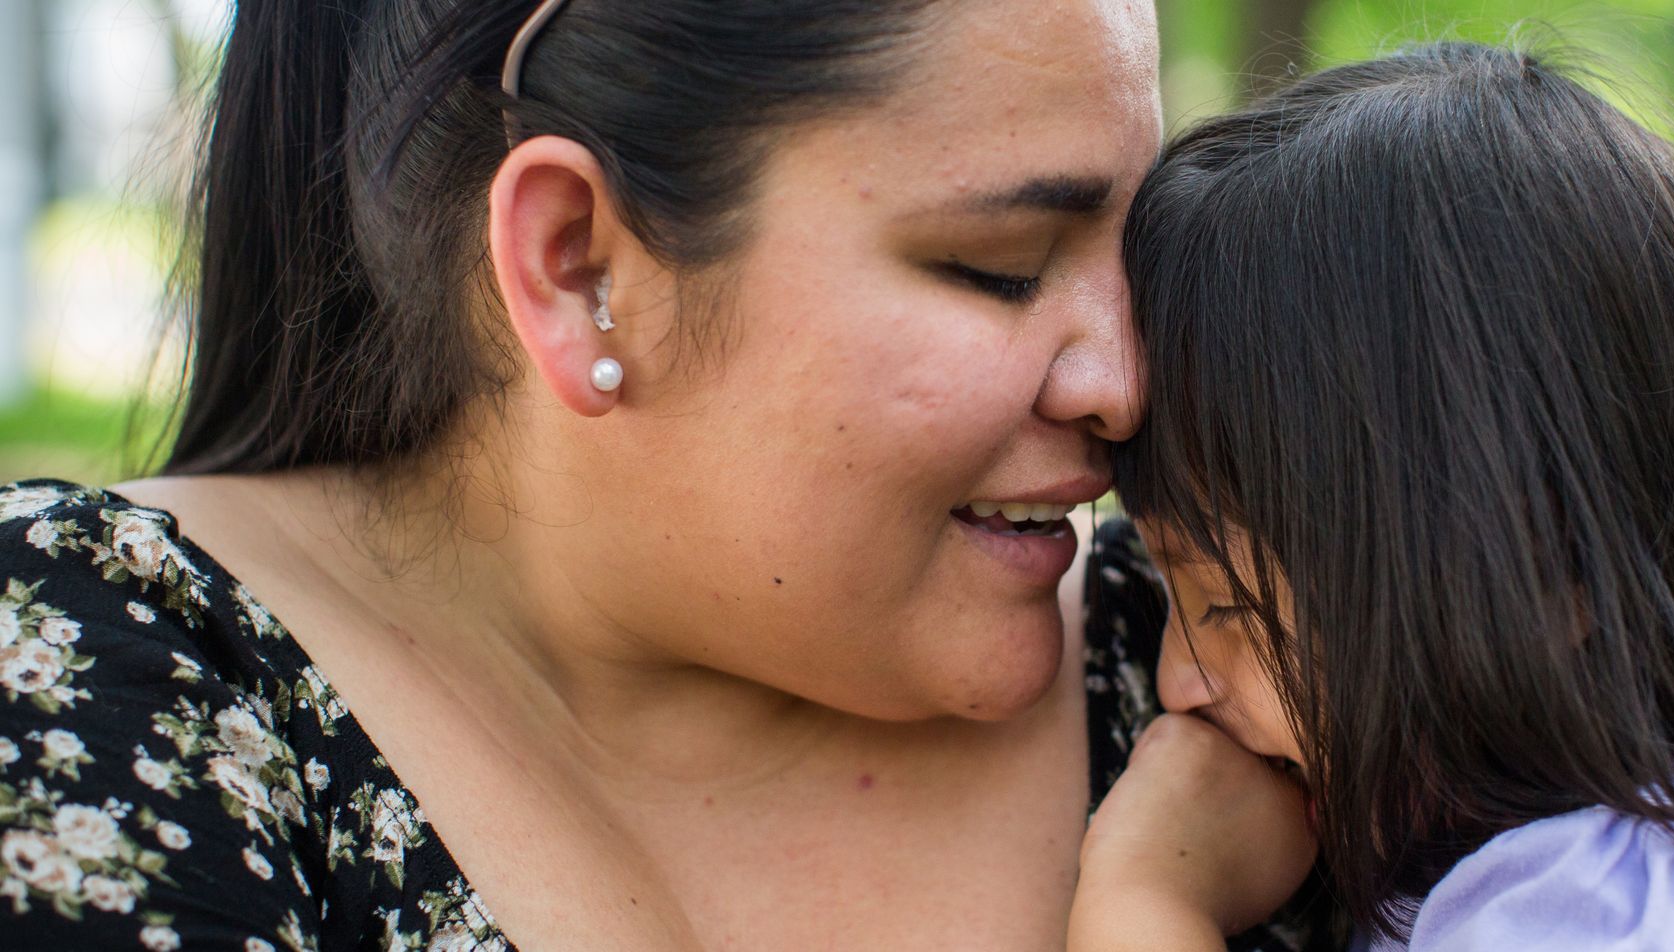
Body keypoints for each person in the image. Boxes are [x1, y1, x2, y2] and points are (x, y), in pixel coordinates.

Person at [0, 0, 1211, 949]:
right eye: (997, 264)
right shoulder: (107, 674)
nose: (1126, 378)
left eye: (1141, 252)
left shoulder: (1225, 668)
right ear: (576, 266)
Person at [1069, 41, 1674, 951]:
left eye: (1228, 602)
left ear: (1545, 570)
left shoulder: (1634, 920)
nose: (1177, 684)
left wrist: (1146, 897)